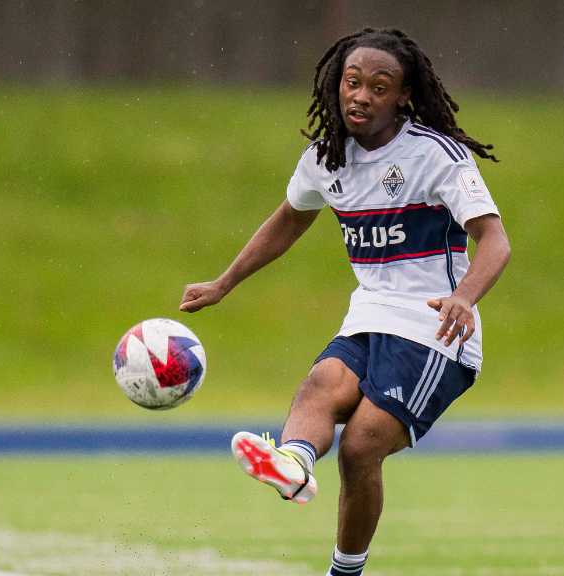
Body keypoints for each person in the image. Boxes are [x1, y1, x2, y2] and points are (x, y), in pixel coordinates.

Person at [179, 27, 510, 576]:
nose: (360, 95)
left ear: (403, 96)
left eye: (378, 87)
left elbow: (495, 239)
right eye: (352, 82)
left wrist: (464, 297)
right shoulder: (326, 158)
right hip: (369, 317)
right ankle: (294, 462)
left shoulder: (437, 157)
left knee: (360, 447)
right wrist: (224, 283)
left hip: (436, 333)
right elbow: (288, 219)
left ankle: (345, 571)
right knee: (320, 385)